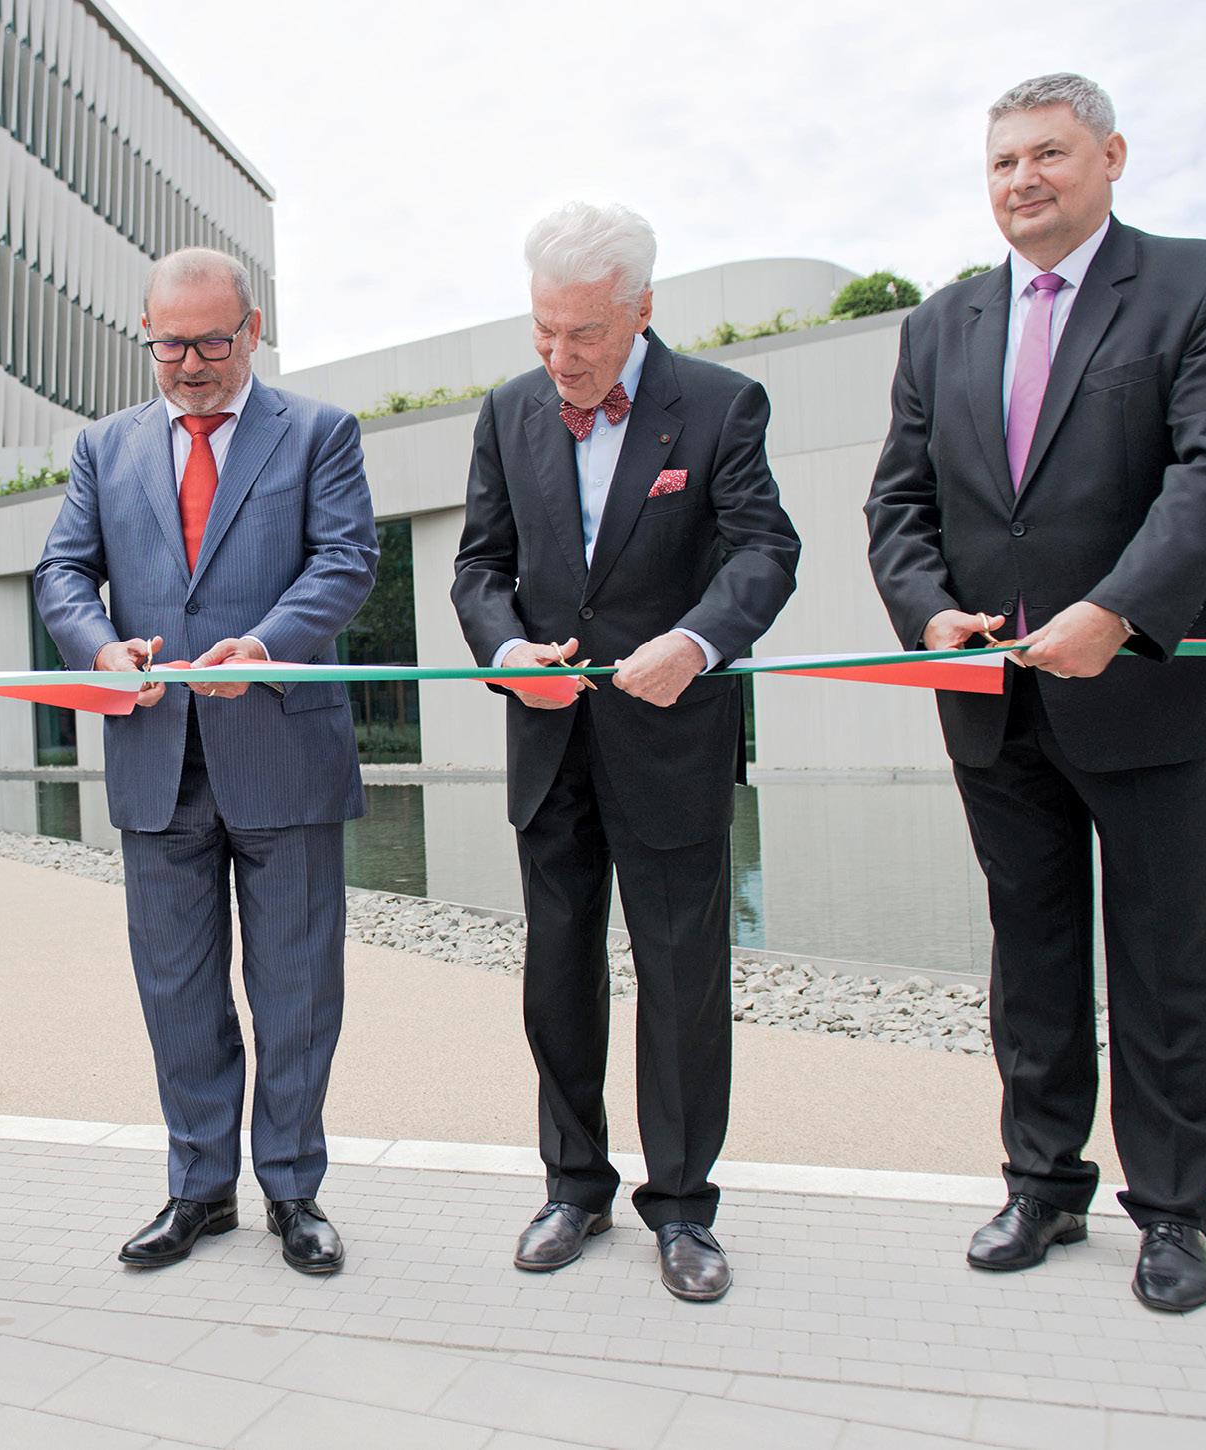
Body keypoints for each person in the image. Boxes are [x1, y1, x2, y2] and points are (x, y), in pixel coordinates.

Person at [865, 74, 1206, 1313]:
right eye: (1003, 162)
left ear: (1111, 157)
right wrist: (929, 612)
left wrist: (1120, 610)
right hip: (996, 703)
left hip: (1143, 694)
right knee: (1031, 958)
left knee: (1164, 961)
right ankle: (1043, 1183)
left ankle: (1175, 1210)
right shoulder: (941, 325)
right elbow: (899, 503)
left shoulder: (1203, 284)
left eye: (1048, 153)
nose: (1023, 179)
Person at [453, 203, 799, 1301]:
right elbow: (478, 567)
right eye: (543, 330)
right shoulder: (508, 411)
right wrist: (507, 651)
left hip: (672, 742)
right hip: (549, 742)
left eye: (586, 333)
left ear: (642, 309)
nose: (561, 357)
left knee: (682, 978)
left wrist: (695, 642)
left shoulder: (721, 404)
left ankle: (684, 1208)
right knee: (558, 973)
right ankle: (573, 1187)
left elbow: (765, 551)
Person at [35, 247, 378, 1275]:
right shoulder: (103, 447)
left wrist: (265, 646)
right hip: (157, 758)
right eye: (169, 345)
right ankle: (199, 1188)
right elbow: (62, 571)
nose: (189, 364)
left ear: (253, 330)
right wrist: (100, 648)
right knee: (177, 992)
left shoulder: (318, 432)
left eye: (211, 343)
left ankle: (293, 1190)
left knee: (296, 993)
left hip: (282, 749)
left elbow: (345, 561)